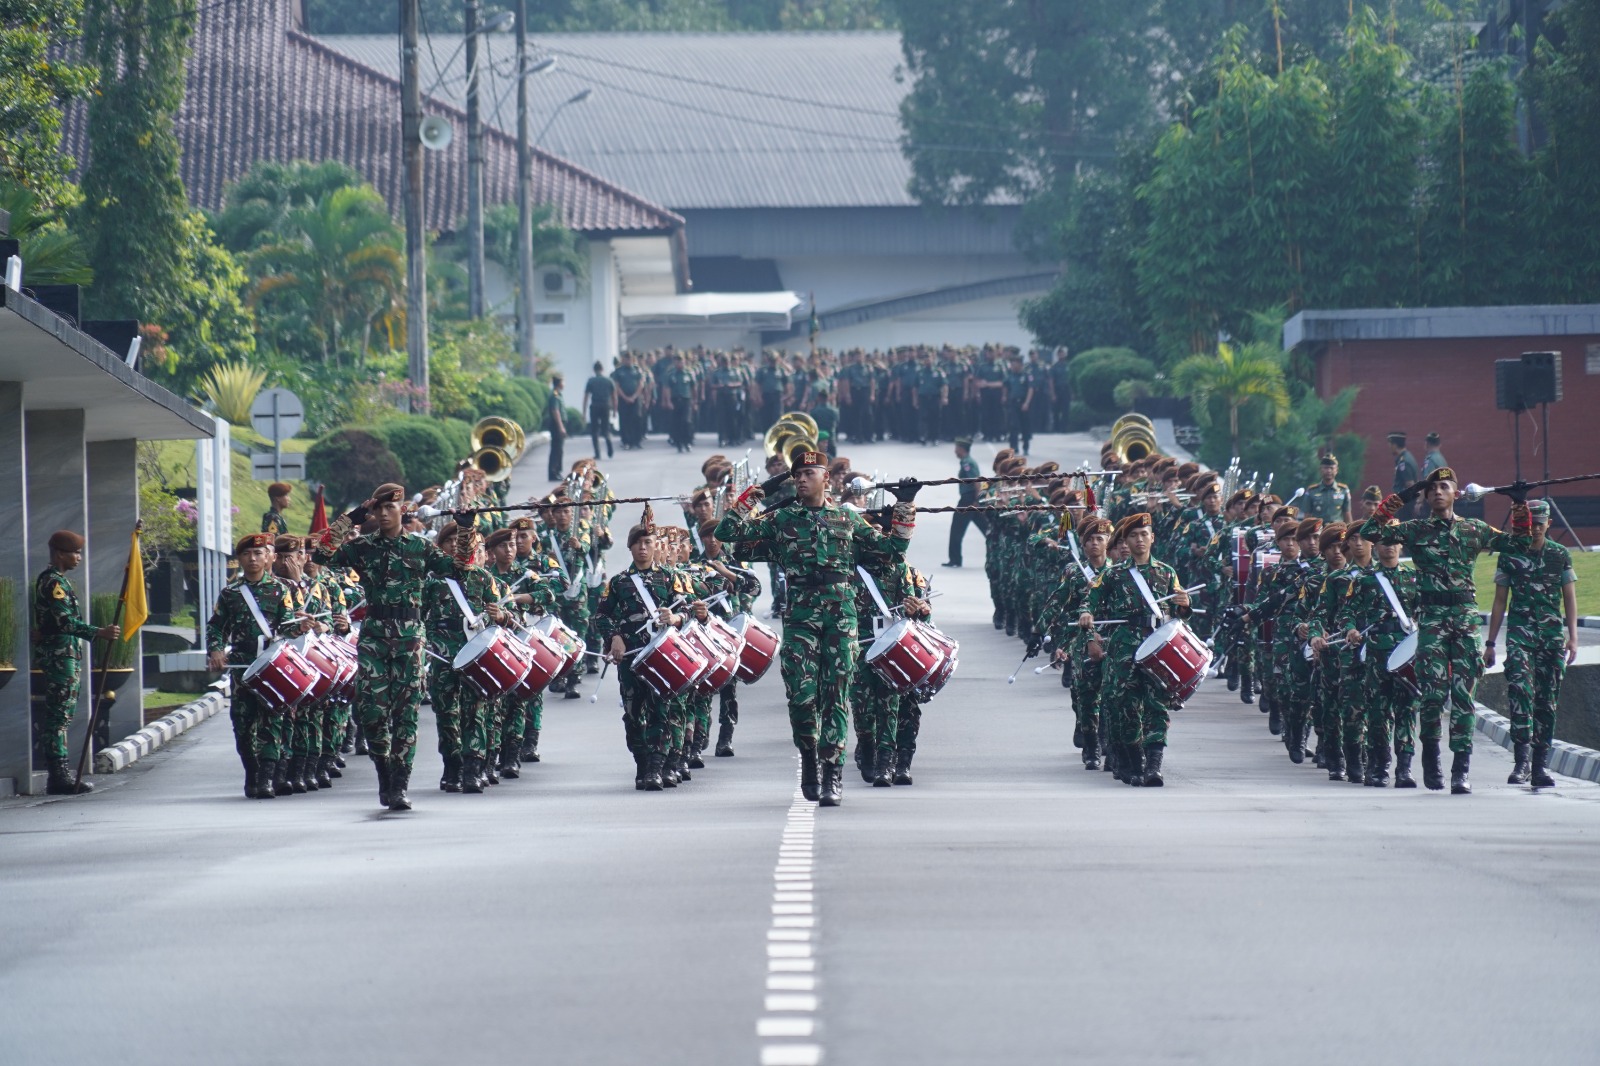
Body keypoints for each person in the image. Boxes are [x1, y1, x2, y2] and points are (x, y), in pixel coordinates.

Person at [715, 450, 919, 806]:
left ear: (826, 478)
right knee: (802, 697)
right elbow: (727, 532)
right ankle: (809, 758)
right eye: (798, 474)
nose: (801, 479)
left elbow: (893, 550)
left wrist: (904, 506)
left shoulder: (847, 518)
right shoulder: (781, 519)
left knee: (838, 697)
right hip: (801, 618)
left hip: (842, 618)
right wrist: (754, 494)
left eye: (810, 472)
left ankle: (832, 773)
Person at [1359, 468, 1530, 794]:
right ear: (1426, 496)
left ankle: (1460, 772)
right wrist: (1400, 499)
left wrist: (1519, 506)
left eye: (1445, 486)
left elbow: (1519, 545)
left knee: (1464, 698)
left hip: (1465, 620)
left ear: (1455, 493)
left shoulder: (1473, 529)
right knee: (1433, 697)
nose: (1438, 491)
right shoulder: (1416, 529)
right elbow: (1371, 531)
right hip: (1433, 621)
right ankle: (1432, 762)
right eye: (1432, 488)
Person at [312, 483, 482, 810]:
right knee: (372, 713)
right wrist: (351, 519)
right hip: (375, 637)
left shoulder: (420, 547)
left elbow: (462, 568)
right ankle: (384, 774)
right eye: (380, 509)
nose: (386, 514)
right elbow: (321, 554)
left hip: (410, 639)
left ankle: (400, 784)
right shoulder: (362, 547)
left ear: (402, 510)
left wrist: (465, 528)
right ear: (373, 512)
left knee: (406, 715)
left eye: (392, 508)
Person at [1079, 513, 1192, 786]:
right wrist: (1086, 618)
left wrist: (1184, 603)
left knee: (1158, 706)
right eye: (1133, 535)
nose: (1139, 540)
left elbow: (1180, 614)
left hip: (1158, 644)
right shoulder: (1113, 574)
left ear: (1152, 538)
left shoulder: (1166, 572)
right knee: (1125, 706)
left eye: (1144, 534)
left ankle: (1154, 765)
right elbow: (1089, 601)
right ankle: (1132, 761)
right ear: (1126, 541)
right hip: (1124, 646)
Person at [1483, 500, 1578, 788]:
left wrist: (1572, 637)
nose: (1535, 528)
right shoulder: (1510, 554)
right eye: (1531, 522)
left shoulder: (1560, 555)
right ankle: (1521, 760)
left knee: (1546, 700)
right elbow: (1500, 601)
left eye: (1540, 523)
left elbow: (1569, 597)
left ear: (1549, 524)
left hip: (1550, 637)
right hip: (1520, 635)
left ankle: (1539, 765)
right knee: (1519, 691)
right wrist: (1490, 642)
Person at [205, 532, 305, 799]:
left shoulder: (280, 590)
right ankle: (251, 773)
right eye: (247, 554)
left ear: (266, 557)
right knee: (242, 723)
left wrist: (301, 626)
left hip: (271, 664)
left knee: (272, 720)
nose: (253, 558)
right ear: (239, 559)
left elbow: (287, 626)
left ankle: (266, 779)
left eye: (258, 554)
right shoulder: (230, 594)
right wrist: (215, 649)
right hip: (242, 667)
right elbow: (216, 626)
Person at [34, 531, 121, 795]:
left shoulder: (59, 581)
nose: (79, 558)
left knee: (63, 715)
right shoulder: (52, 583)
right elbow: (64, 622)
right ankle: (58, 775)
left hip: (66, 656)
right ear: (61, 554)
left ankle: (60, 773)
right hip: (59, 658)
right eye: (76, 553)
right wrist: (99, 632)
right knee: (58, 715)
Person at [944, 437, 986, 568]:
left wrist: (976, 501)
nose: (955, 451)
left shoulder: (967, 463)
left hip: (968, 500)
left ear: (961, 449)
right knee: (987, 529)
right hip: (971, 499)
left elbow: (976, 482)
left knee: (956, 528)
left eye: (956, 448)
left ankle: (955, 559)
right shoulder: (967, 462)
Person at [1302, 455, 1352, 524]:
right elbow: (1307, 516)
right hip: (1318, 531)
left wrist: (1349, 532)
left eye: (1332, 468)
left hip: (1337, 530)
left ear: (1336, 470)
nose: (1329, 471)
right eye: (1326, 468)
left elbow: (1347, 515)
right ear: (1320, 469)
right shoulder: (1312, 491)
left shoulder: (1343, 490)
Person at [584, 361, 616, 460]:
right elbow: (614, 396)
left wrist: (584, 412)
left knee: (594, 431)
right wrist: (615, 410)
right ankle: (609, 446)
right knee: (606, 429)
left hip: (595, 406)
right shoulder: (609, 381)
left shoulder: (591, 381)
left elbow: (586, 397)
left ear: (594, 370)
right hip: (606, 406)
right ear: (602, 369)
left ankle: (597, 453)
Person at [1388, 433, 1419, 518]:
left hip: (1405, 506)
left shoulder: (1404, 461)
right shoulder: (1406, 457)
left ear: (1395, 445)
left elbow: (1410, 484)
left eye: (1390, 444)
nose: (1389, 446)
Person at [545, 376, 567, 479]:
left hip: (559, 424)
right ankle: (553, 472)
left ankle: (557, 471)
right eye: (563, 382)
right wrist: (561, 427)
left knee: (559, 449)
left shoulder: (558, 394)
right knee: (556, 449)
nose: (564, 384)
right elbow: (555, 411)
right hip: (556, 424)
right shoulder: (555, 395)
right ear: (559, 383)